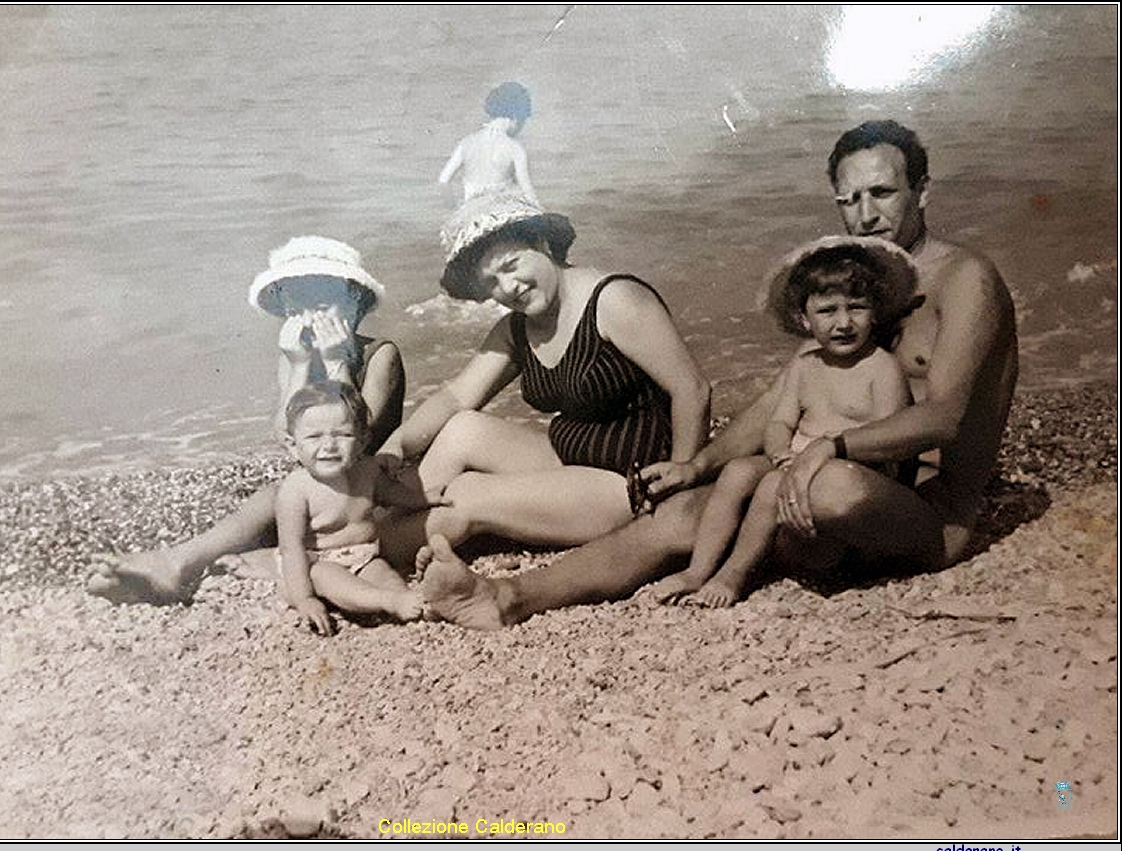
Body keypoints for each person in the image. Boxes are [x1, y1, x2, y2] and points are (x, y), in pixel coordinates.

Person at [417, 119, 1020, 629]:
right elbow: (782, 398)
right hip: (825, 480)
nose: (865, 215)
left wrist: (826, 450)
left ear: (922, 190)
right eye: (848, 200)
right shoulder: (857, 286)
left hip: (924, 513)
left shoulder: (965, 279)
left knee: (823, 486)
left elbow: (944, 418)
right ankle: (508, 597)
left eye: (883, 194)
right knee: (678, 512)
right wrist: (695, 465)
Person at [376, 191, 711, 562]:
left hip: (629, 483)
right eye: (491, 283)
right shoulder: (517, 328)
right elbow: (456, 397)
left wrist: (683, 484)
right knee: (462, 429)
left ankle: (364, 552)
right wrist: (397, 444)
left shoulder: (615, 300)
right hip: (565, 462)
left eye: (511, 265)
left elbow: (691, 389)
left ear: (541, 242)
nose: (507, 288)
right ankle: (361, 520)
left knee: (469, 495)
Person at [86, 236, 405, 605]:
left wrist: (336, 361)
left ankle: (182, 566)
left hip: (367, 492)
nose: (314, 309)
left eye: (326, 295)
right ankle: (175, 566)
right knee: (271, 500)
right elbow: (289, 441)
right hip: (318, 493)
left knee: (277, 498)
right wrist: (300, 364)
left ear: (355, 302)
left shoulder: (381, 355)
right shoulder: (296, 354)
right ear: (287, 307)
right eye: (301, 298)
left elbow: (359, 438)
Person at [648, 235, 915, 608]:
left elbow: (890, 443)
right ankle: (698, 568)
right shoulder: (806, 366)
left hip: (849, 478)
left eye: (856, 307)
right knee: (740, 471)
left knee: (774, 484)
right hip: (795, 460)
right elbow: (779, 424)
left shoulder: (881, 369)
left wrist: (810, 465)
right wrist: (780, 455)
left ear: (876, 312)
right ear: (804, 318)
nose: (843, 322)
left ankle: (734, 574)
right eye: (827, 311)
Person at [275, 381, 437, 636]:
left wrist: (422, 500)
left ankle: (408, 599)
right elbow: (290, 548)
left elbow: (393, 494)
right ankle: (387, 602)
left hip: (362, 556)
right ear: (292, 445)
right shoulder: (295, 490)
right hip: (311, 564)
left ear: (363, 440)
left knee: (385, 575)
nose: (329, 445)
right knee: (328, 577)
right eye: (314, 436)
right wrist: (304, 598)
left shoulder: (368, 471)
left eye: (343, 435)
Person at [438, 81, 539, 204]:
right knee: (515, 189)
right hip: (501, 208)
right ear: (516, 118)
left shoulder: (466, 142)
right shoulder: (514, 148)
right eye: (523, 121)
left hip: (474, 208)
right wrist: (541, 211)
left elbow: (443, 180)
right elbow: (527, 190)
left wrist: (452, 206)